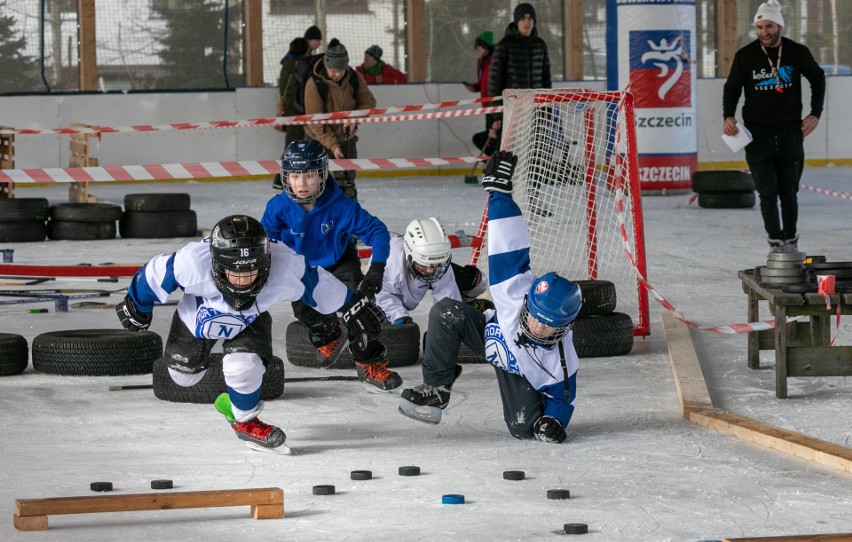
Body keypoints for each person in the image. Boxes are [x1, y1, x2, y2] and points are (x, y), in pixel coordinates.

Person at [115, 215, 386, 451]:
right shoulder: (190, 263)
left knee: (242, 367)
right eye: (235, 273)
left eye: (252, 271)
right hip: (196, 317)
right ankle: (224, 398)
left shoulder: (286, 266)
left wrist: (354, 306)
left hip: (251, 318)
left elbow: (320, 286)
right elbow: (151, 276)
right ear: (217, 264)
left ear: (266, 260)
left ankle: (244, 420)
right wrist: (136, 306)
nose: (244, 280)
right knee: (183, 377)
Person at [398, 151, 582, 444]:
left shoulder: (561, 361)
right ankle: (437, 389)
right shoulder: (514, 290)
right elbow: (509, 242)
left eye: (547, 327)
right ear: (528, 302)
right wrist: (499, 192)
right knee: (446, 312)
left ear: (562, 330)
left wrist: (553, 421)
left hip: (517, 372)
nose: (536, 327)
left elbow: (563, 399)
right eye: (534, 317)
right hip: (490, 335)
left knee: (524, 429)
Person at [261, 140, 401, 392]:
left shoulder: (342, 206)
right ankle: (330, 335)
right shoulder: (277, 207)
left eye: (309, 175)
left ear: (322, 174)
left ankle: (370, 364)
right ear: (285, 177)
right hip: (301, 267)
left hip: (339, 261)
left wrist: (377, 269)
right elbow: (266, 243)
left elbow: (378, 232)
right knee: (304, 311)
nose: (301, 184)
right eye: (294, 176)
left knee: (360, 311)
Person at [723, 0, 824, 254]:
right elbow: (732, 88)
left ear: (778, 25)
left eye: (768, 26)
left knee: (789, 192)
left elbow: (818, 78)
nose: (764, 32)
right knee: (768, 193)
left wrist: (815, 114)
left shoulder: (796, 52)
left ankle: (790, 240)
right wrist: (728, 116)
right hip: (757, 136)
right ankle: (775, 243)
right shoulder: (745, 56)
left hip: (791, 133)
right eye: (759, 27)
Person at [487, 3, 553, 216]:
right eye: (523, 18)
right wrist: (496, 115)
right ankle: (505, 200)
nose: (527, 22)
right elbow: (494, 81)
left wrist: (547, 108)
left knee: (536, 156)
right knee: (509, 156)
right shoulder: (504, 45)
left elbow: (546, 79)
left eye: (530, 18)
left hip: (535, 111)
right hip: (512, 112)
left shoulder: (540, 45)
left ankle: (533, 198)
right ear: (516, 21)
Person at [373, 217, 488, 326]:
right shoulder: (388, 260)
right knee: (383, 321)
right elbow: (381, 295)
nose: (430, 271)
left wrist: (448, 323)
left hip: (420, 269)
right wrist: (398, 316)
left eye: (437, 265)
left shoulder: (438, 260)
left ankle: (468, 306)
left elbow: (448, 299)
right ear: (410, 256)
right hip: (394, 287)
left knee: (477, 282)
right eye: (424, 266)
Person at [304, 38, 376, 201]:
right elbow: (315, 121)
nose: (337, 74)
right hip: (317, 139)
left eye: (341, 70)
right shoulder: (314, 84)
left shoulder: (354, 79)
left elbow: (368, 102)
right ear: (326, 66)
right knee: (314, 185)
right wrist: (333, 145)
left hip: (346, 139)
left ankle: (350, 221)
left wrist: (354, 117)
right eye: (333, 70)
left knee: (347, 185)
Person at [465, 31, 497, 157]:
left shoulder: (495, 60)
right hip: (486, 106)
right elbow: (483, 82)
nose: (478, 49)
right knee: (490, 138)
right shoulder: (481, 62)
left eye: (480, 46)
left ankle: (493, 161)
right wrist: (475, 87)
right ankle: (491, 161)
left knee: (493, 137)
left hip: (495, 105)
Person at [276, 37, 310, 147]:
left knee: (292, 141)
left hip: (289, 109)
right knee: (298, 141)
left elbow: (283, 88)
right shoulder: (303, 66)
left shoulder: (286, 65)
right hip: (300, 108)